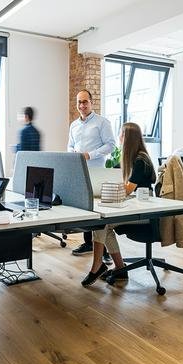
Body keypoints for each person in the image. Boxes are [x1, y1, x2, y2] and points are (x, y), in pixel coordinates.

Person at [82, 122, 156, 286]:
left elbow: (128, 189)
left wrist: (110, 186)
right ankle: (119, 268)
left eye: (122, 134)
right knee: (103, 225)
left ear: (129, 137)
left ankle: (98, 266)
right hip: (133, 205)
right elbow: (114, 178)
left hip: (145, 211)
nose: (120, 137)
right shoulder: (129, 158)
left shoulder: (141, 160)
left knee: (102, 225)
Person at [67, 89, 117, 260]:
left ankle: (103, 251)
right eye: (79, 102)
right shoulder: (73, 125)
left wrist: (90, 154)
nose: (82, 105)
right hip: (79, 170)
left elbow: (111, 145)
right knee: (84, 209)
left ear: (91, 102)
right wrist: (72, 153)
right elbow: (70, 146)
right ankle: (89, 243)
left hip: (95, 171)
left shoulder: (102, 122)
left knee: (97, 211)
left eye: (85, 102)